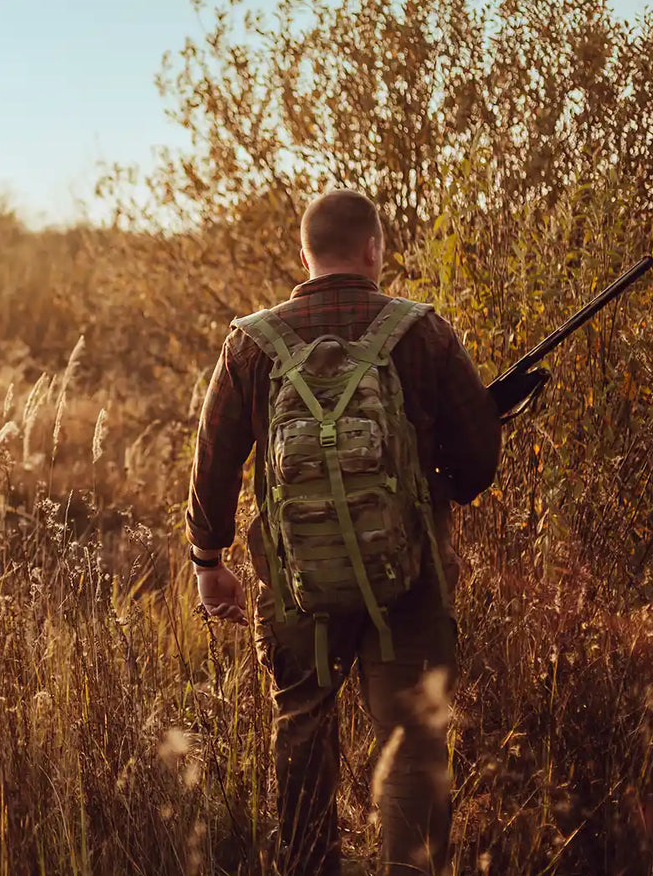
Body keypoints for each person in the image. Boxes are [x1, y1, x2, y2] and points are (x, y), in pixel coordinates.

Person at [185, 188, 502, 875]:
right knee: (412, 739)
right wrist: (431, 474)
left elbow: (213, 462)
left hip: (297, 587)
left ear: (304, 254)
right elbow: (478, 464)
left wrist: (208, 561)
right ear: (373, 250)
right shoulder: (422, 332)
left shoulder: (251, 342)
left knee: (302, 730)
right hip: (410, 584)